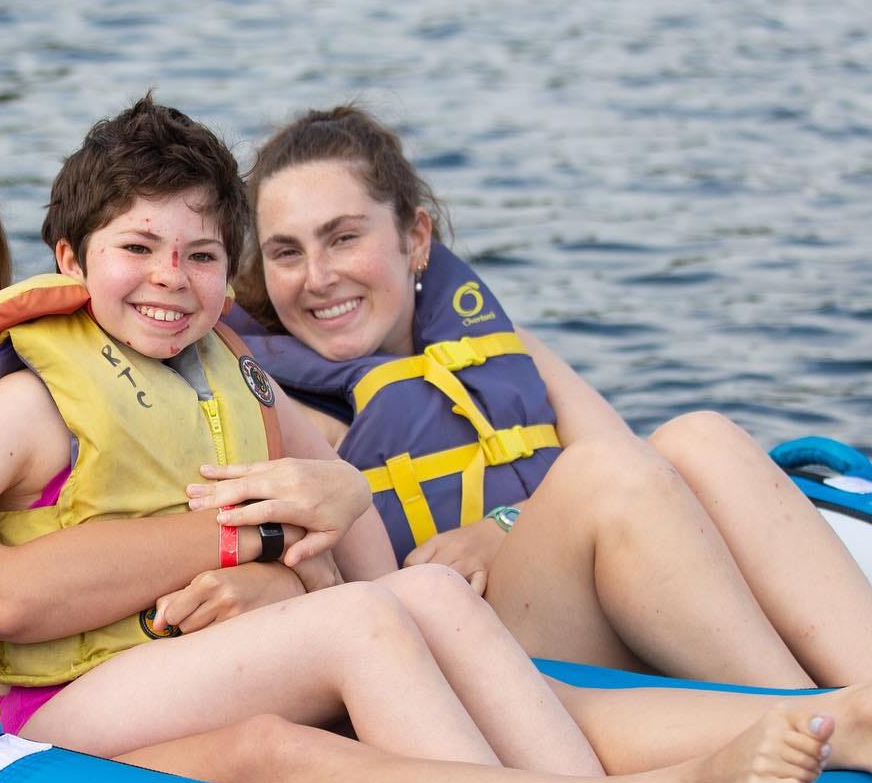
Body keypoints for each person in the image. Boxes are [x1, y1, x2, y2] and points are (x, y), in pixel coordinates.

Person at [0, 98, 854, 783]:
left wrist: (345, 508)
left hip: (178, 664)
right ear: (69, 259)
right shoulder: (33, 400)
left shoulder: (236, 379)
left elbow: (384, 579)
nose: (167, 279)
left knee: (431, 595)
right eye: (135, 250)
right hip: (59, 700)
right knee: (362, 625)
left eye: (196, 256)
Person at [228, 103, 872, 689]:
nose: (318, 278)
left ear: (416, 238)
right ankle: (810, 714)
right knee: (606, 474)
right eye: (287, 252)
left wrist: (503, 528)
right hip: (477, 657)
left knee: (699, 437)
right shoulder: (279, 402)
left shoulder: (497, 345)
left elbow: (641, 464)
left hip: (572, 599)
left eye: (344, 237)